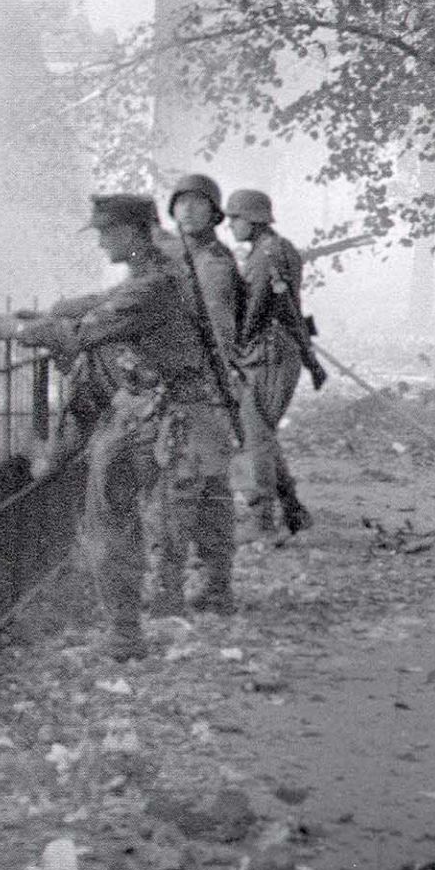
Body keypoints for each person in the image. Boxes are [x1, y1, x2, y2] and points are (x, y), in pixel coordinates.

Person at [0, 194, 229, 662]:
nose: (100, 243)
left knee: (111, 518)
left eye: (107, 233)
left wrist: (17, 331)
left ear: (135, 233)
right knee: (130, 517)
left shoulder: (154, 285)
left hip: (160, 416)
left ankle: (124, 635)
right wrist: (54, 310)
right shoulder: (155, 276)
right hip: (164, 411)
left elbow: (81, 334)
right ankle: (131, 624)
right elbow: (102, 302)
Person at [157, 173, 247, 616]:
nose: (188, 210)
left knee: (186, 490)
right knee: (207, 489)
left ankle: (171, 591)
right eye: (181, 203)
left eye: (198, 203)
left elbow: (213, 334)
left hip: (198, 390)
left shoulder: (212, 265)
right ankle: (215, 588)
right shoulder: (177, 257)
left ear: (214, 213)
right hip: (195, 390)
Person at [225, 188, 313, 538]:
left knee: (253, 436)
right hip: (278, 352)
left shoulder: (264, 257)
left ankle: (262, 523)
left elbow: (255, 311)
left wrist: (233, 349)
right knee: (260, 432)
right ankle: (293, 510)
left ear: (253, 219)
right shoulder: (280, 249)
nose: (230, 225)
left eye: (235, 218)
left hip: (268, 355)